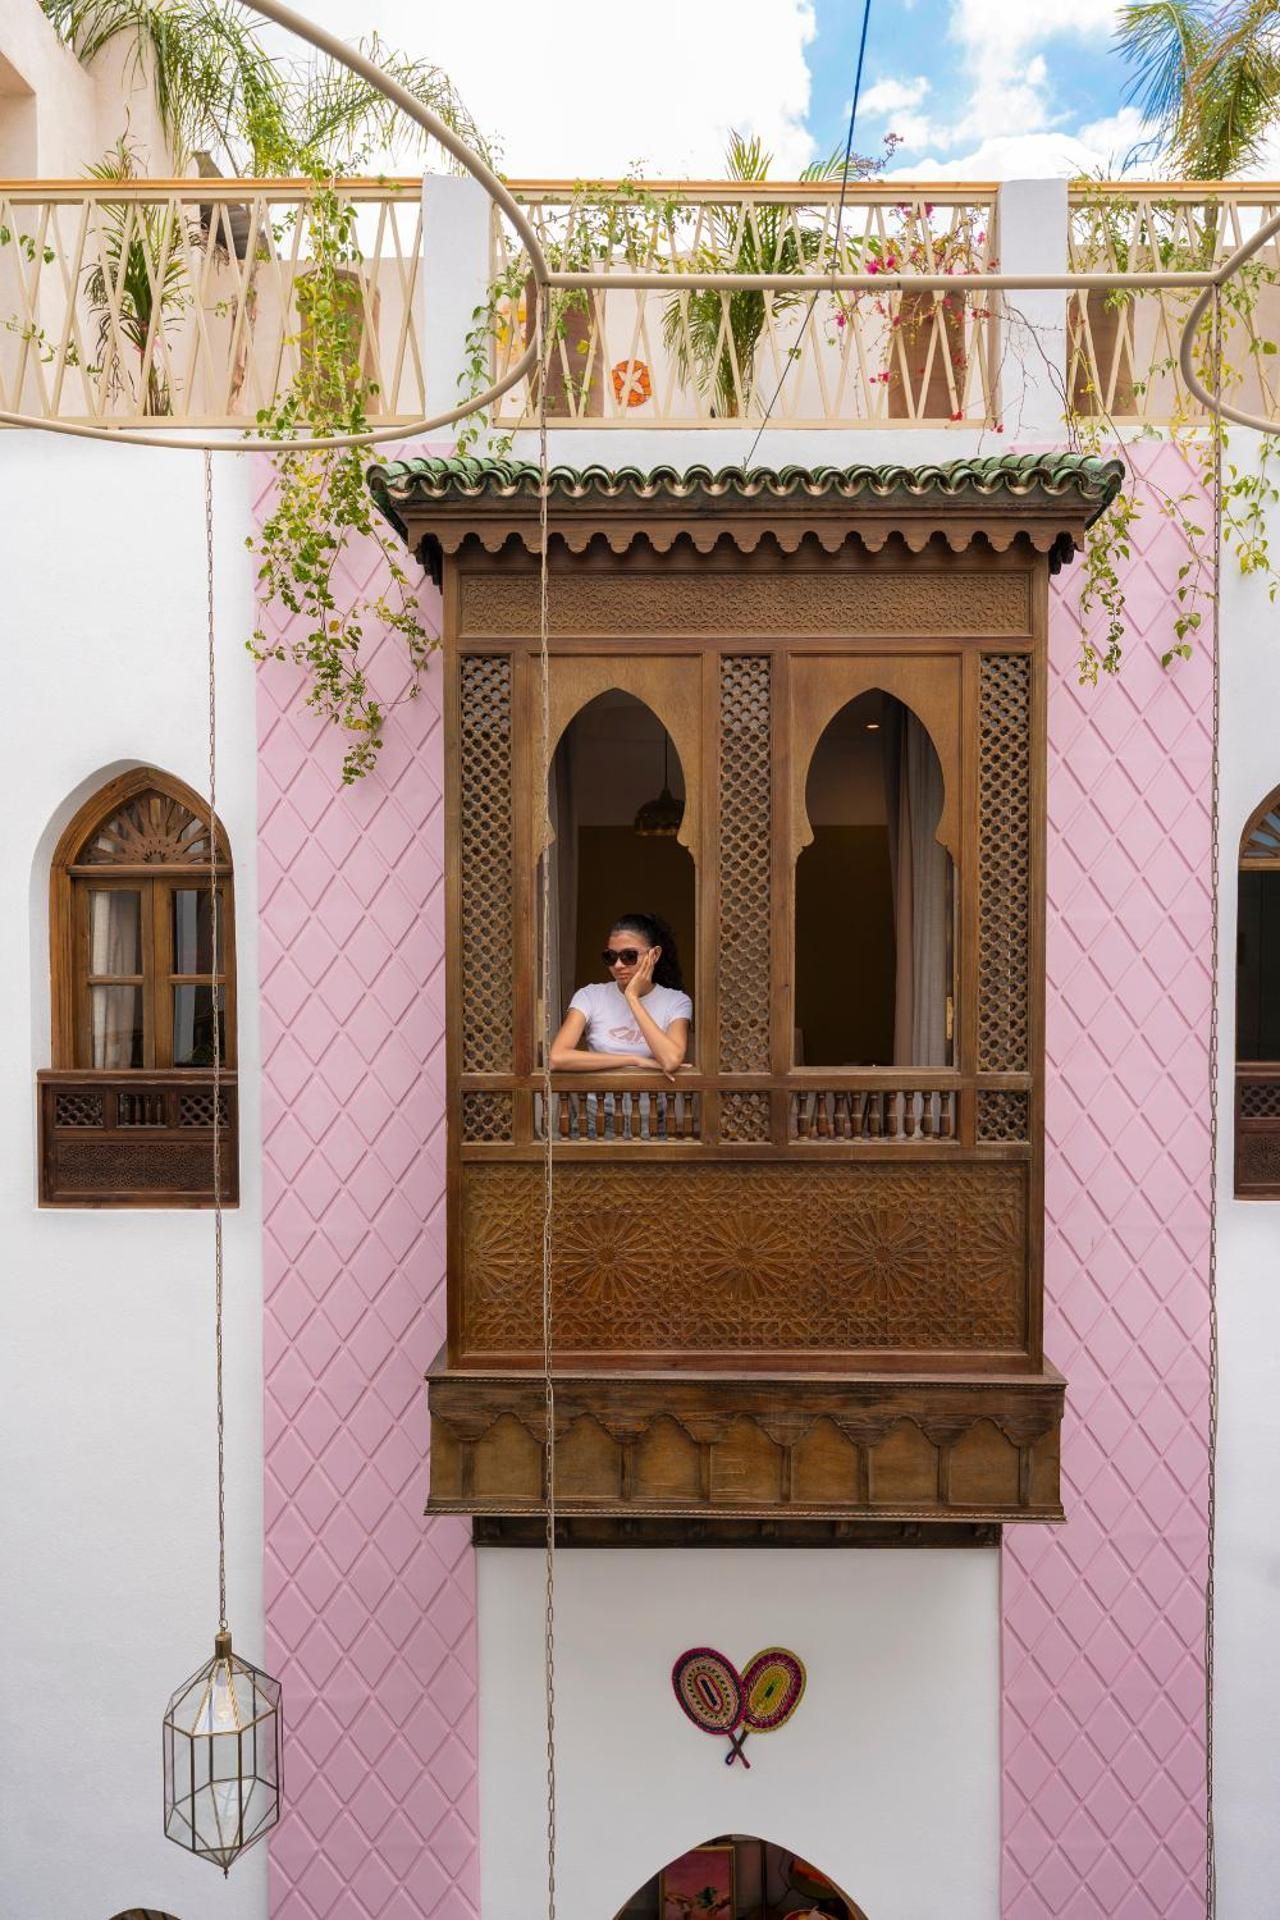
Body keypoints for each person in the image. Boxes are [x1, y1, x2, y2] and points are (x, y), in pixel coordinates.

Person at [550, 912, 692, 1076]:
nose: (618, 965)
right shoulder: (589, 996)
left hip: (655, 1102)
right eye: (610, 956)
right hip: (600, 1101)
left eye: (629, 956)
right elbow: (557, 1058)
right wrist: (633, 1060)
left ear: (654, 955)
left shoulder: (676, 1001)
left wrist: (632, 997)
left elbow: (671, 1060)